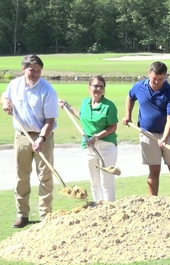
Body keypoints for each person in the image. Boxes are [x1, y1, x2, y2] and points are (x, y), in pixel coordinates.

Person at [1, 55, 58, 228]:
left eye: (38, 70)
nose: (35, 74)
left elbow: (50, 121)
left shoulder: (47, 90)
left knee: (45, 177)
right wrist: (5, 103)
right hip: (22, 137)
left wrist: (41, 138)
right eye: (31, 70)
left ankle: (45, 215)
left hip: (44, 137)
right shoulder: (15, 84)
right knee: (21, 177)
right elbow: (5, 96)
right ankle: (22, 214)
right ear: (23, 69)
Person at [122, 61, 170, 196]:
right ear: (149, 74)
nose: (157, 82)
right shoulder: (138, 87)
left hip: (168, 134)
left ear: (165, 76)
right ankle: (153, 201)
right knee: (154, 170)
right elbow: (130, 97)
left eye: (161, 79)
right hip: (147, 134)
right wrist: (128, 115)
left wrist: (165, 138)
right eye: (154, 78)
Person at [59, 75, 118, 202]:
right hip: (88, 146)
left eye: (101, 86)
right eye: (95, 86)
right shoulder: (85, 102)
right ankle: (98, 206)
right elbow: (81, 116)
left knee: (106, 182)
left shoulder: (109, 106)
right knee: (94, 181)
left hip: (106, 146)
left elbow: (113, 127)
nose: (98, 89)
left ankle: (110, 208)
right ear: (89, 88)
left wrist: (97, 137)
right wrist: (67, 106)